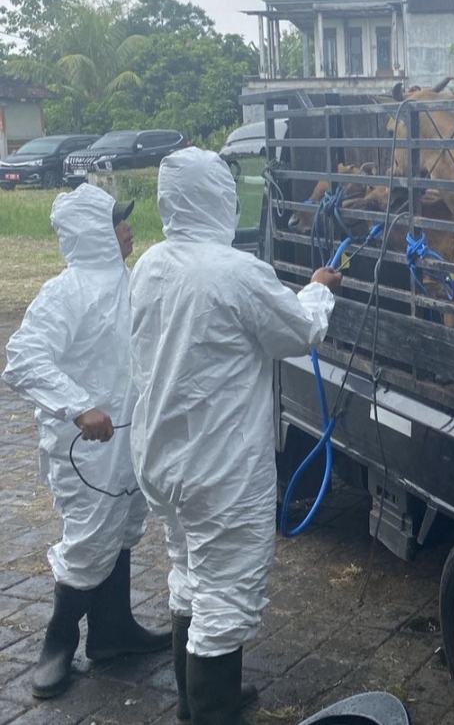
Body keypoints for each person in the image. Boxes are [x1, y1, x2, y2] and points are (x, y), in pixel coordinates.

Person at [128, 147, 342, 725]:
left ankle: (193, 703)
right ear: (218, 198)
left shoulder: (150, 264)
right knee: (225, 598)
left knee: (189, 577)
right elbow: (300, 332)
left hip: (162, 460)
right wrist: (321, 286)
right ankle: (212, 708)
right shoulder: (234, 271)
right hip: (219, 469)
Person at [2, 183, 170, 700]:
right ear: (92, 233)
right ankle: (56, 644)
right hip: (87, 448)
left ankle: (113, 631)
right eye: (116, 221)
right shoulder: (66, 292)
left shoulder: (132, 281)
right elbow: (24, 359)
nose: (127, 228)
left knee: (122, 527)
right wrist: (78, 407)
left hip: (128, 438)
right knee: (91, 537)